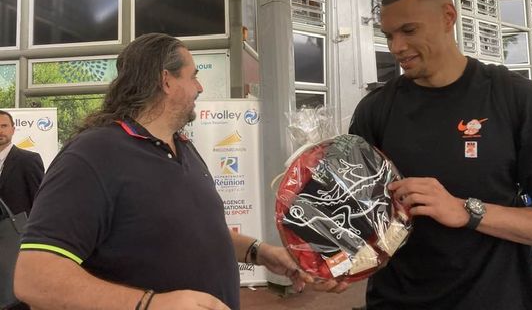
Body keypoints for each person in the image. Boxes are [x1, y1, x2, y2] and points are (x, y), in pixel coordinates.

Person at [13, 33, 341, 310]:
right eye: (193, 75)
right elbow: (34, 277)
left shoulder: (182, 147)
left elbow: (193, 231)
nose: (199, 87)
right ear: (166, 81)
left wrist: (261, 252)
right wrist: (151, 303)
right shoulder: (92, 155)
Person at [349, 0, 532, 310]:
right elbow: (351, 216)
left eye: (409, 31)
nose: (396, 48)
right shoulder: (376, 110)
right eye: (389, 35)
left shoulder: (520, 100)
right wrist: (326, 260)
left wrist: (467, 211)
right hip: (394, 301)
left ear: (448, 17)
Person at [0, 109, 44, 216]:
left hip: (18, 231)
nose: (0, 130)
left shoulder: (29, 160)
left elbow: (40, 201)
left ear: (13, 130)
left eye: (4, 126)